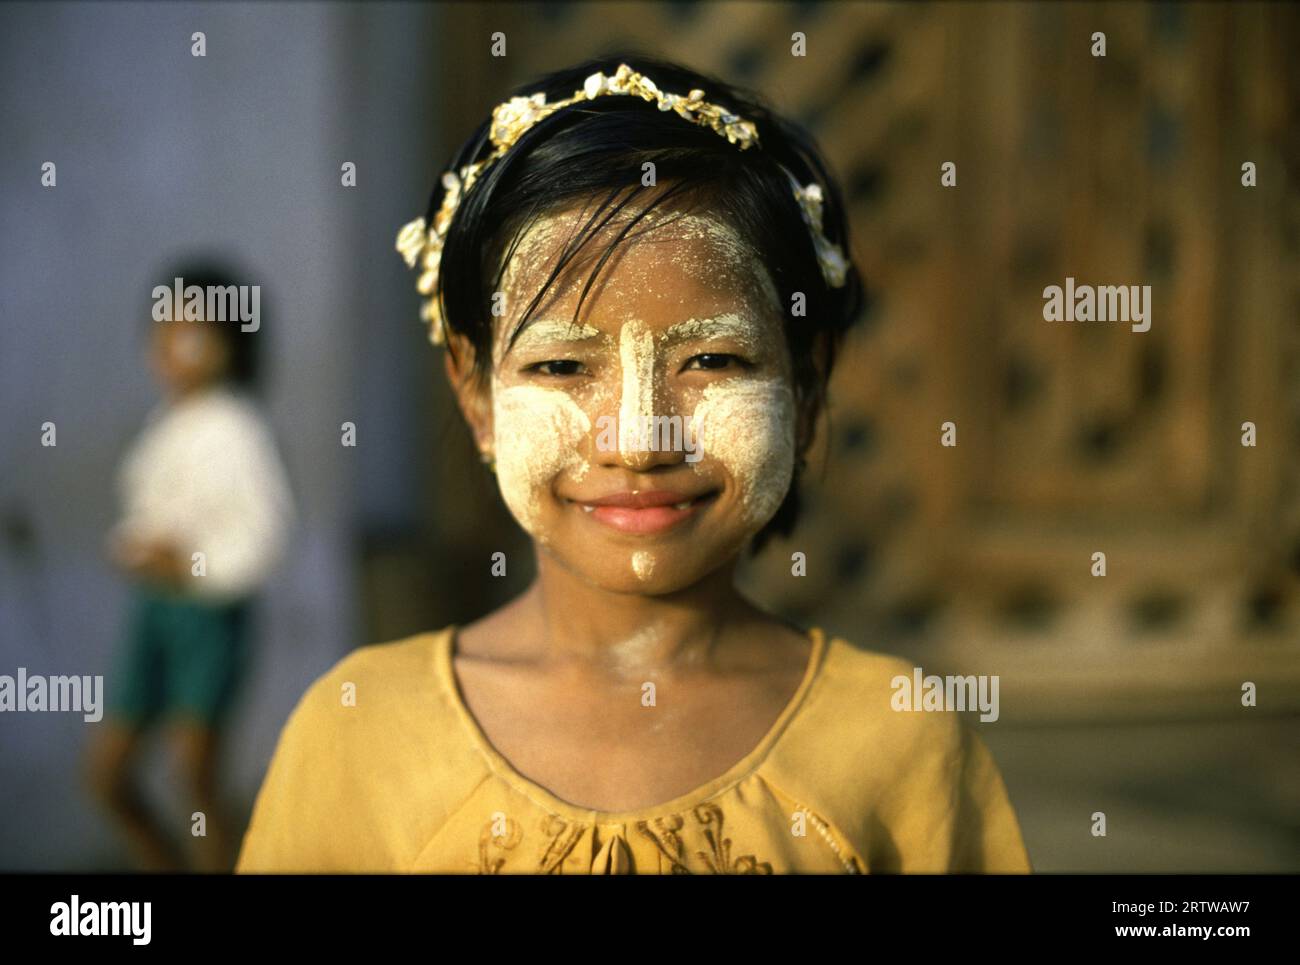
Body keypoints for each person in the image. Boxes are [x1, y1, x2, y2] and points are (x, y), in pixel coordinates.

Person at [236, 55, 1031, 873]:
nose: (640, 440)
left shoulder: (898, 737)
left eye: (713, 360)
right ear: (477, 398)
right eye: (561, 368)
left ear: (805, 385)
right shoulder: (360, 729)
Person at [85, 261, 294, 871]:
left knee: (194, 776)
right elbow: (148, 509)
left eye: (193, 334)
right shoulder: (164, 426)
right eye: (164, 332)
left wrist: (194, 566)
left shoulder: (238, 430)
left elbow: (264, 535)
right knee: (107, 773)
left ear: (230, 345)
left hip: (209, 618)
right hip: (154, 611)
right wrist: (138, 548)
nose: (173, 349)